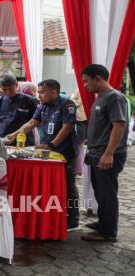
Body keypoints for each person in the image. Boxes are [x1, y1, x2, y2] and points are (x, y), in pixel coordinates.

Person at [7, 79, 80, 231]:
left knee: (68, 185)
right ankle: (55, 216)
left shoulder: (67, 105)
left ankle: (73, 219)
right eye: (38, 92)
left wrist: (52, 145)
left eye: (42, 92)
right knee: (52, 185)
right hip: (49, 152)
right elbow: (32, 123)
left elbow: (67, 127)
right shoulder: (42, 106)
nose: (38, 95)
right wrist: (13, 135)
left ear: (54, 92)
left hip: (65, 151)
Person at [80, 64, 128, 242]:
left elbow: (119, 125)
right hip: (95, 152)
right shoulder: (99, 98)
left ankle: (108, 232)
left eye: (86, 81)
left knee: (107, 193)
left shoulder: (114, 97)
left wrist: (109, 154)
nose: (85, 86)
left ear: (98, 78)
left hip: (106, 155)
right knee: (100, 192)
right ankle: (103, 222)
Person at [0, 74, 37, 146]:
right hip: (4, 139)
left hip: (23, 140)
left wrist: (16, 134)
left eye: (10, 89)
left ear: (16, 85)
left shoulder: (29, 100)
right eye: (4, 89)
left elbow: (34, 121)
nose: (8, 92)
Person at [70, 90, 87, 177]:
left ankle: (78, 169)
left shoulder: (81, 90)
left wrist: (76, 101)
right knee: (79, 146)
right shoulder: (79, 89)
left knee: (78, 146)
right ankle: (79, 169)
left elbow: (73, 100)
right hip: (81, 119)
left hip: (81, 120)